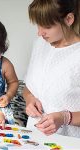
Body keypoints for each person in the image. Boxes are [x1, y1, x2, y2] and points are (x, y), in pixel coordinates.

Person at [23, 0, 80, 137]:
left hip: (70, 141)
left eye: (46, 26)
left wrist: (65, 117)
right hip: (33, 137)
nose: (39, 32)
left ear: (69, 19)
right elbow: (29, 88)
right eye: (38, 25)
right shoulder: (39, 45)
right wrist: (30, 99)